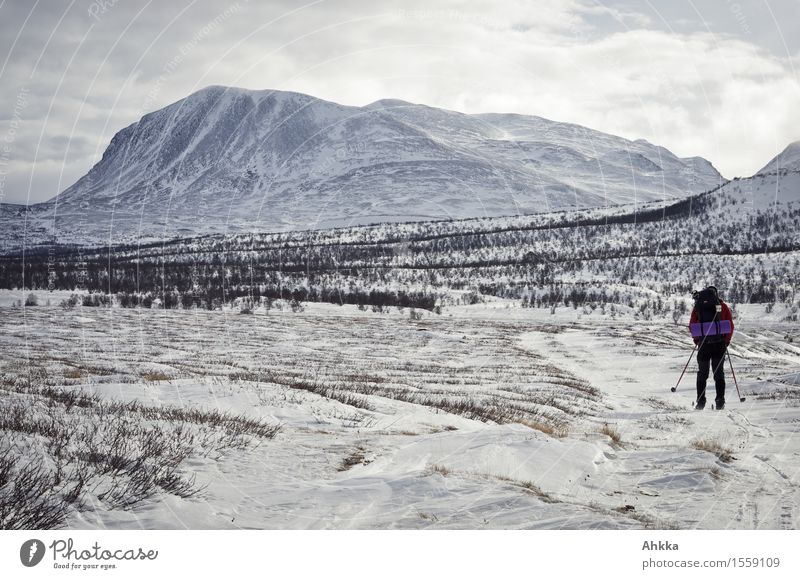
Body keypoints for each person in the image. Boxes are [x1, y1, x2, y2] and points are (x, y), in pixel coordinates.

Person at [688, 286, 734, 410]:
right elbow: (730, 324)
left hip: (704, 345)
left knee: (702, 374)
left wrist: (697, 341)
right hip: (719, 344)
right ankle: (720, 401)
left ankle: (701, 402)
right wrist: (726, 341)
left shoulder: (698, 306)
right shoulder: (722, 306)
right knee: (718, 373)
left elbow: (692, 325)